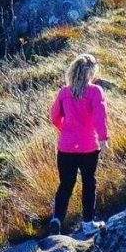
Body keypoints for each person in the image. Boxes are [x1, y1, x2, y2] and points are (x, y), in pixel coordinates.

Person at [47, 53, 109, 235]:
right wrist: (104, 138)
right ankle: (88, 223)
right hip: (89, 146)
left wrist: (66, 130)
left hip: (65, 147)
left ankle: (57, 218)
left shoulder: (64, 92)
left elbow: (54, 117)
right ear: (90, 73)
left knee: (66, 184)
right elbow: (100, 117)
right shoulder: (95, 91)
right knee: (89, 183)